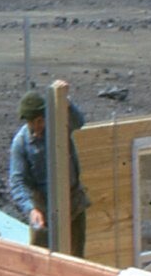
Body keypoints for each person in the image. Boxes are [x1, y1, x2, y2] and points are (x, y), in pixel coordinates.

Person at [8, 89, 90, 256]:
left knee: (76, 260)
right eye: (33, 123)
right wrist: (31, 209)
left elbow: (79, 122)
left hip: (73, 204)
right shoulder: (21, 143)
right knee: (41, 262)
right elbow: (17, 181)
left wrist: (66, 104)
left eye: (40, 121)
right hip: (43, 210)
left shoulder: (59, 128)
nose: (37, 126)